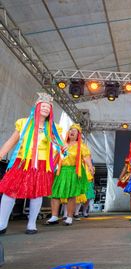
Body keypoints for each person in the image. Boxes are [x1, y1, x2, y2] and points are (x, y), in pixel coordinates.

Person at [0, 93, 64, 234]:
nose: (46, 108)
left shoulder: (54, 128)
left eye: (49, 107)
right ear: (36, 106)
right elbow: (11, 141)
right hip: (21, 162)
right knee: (10, 190)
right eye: (43, 105)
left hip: (41, 164)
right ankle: (1, 224)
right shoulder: (23, 123)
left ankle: (31, 224)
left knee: (36, 193)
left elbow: (60, 146)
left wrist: (62, 149)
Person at [46, 124, 94, 226]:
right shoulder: (62, 143)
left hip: (73, 171)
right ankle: (54, 216)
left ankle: (69, 217)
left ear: (78, 135)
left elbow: (86, 157)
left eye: (75, 131)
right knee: (55, 193)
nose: (72, 132)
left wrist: (90, 166)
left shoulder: (81, 146)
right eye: (71, 130)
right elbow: (54, 155)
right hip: (61, 171)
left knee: (71, 195)